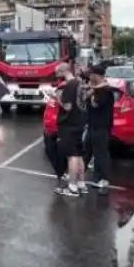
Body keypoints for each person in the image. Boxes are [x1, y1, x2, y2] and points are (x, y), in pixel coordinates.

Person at [54, 62, 88, 197]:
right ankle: (81, 184)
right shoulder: (79, 83)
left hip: (69, 124)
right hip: (80, 122)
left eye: (58, 73)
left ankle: (72, 187)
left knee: (71, 155)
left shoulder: (69, 86)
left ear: (63, 71)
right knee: (79, 154)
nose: (57, 76)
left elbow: (67, 107)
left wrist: (56, 98)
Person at [84, 64, 113, 191]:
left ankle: (104, 178)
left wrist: (93, 90)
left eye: (91, 74)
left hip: (101, 125)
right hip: (92, 125)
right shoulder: (96, 87)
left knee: (101, 153)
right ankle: (94, 177)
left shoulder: (105, 90)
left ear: (96, 75)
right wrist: (92, 88)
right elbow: (84, 98)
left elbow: (95, 104)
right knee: (88, 149)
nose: (89, 77)